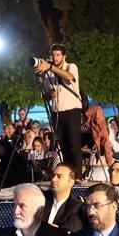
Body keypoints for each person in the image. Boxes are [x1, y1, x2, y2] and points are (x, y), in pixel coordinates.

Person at [35, 44, 83, 177]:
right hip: (56, 112)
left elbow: (69, 77)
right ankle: (68, 176)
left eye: (58, 55)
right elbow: (44, 96)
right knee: (63, 146)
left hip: (72, 110)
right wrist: (49, 94)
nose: (55, 58)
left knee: (74, 145)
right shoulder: (48, 73)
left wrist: (51, 67)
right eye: (53, 55)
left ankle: (78, 177)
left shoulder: (71, 66)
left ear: (64, 56)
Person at [43, 162, 87, 233]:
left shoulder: (77, 207)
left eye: (59, 176)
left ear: (71, 182)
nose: (53, 179)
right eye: (53, 175)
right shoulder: (41, 199)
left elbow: (66, 231)